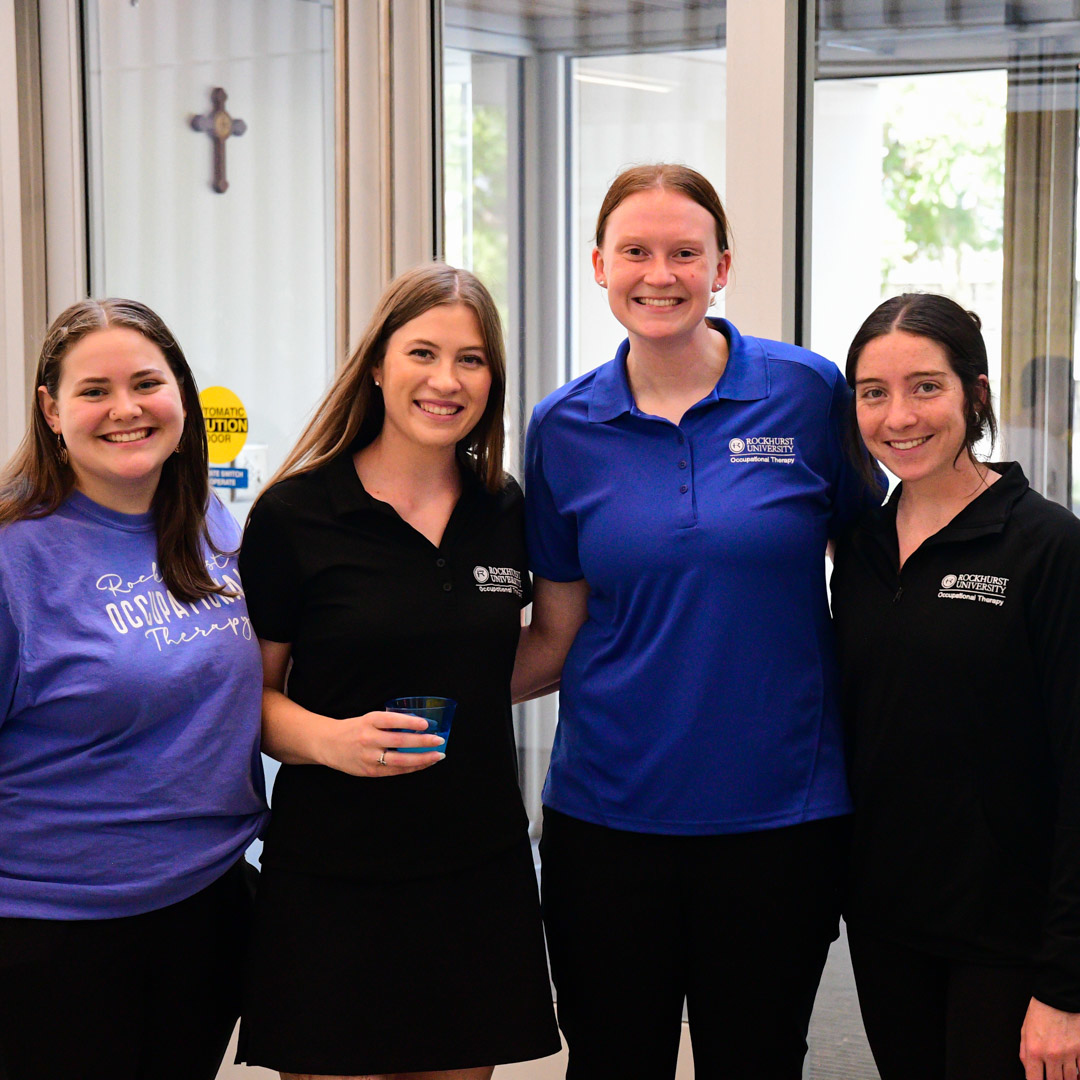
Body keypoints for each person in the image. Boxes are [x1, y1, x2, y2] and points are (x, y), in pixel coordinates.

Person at [513, 163, 880, 1079]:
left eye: (685, 251)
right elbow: (557, 632)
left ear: (723, 266)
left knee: (755, 1063)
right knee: (611, 1063)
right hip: (608, 820)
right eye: (635, 251)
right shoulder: (563, 428)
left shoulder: (808, 393)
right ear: (600, 265)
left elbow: (879, 579)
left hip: (782, 820)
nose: (660, 273)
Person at [236, 262, 561, 1080]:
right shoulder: (295, 515)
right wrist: (330, 739)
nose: (446, 381)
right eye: (423, 353)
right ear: (377, 363)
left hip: (475, 867)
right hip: (333, 878)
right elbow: (245, 697)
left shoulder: (506, 510)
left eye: (472, 360)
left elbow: (531, 648)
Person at [0, 298, 268, 1080]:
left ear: (180, 396)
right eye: (94, 391)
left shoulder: (210, 523)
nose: (125, 410)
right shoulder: (16, 555)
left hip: (206, 906)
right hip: (55, 933)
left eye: (147, 383)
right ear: (51, 410)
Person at [831, 292, 1080, 1080]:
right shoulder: (861, 550)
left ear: (974, 393)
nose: (899, 416)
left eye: (925, 387)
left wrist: (1065, 987)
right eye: (875, 393)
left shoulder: (1047, 546)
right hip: (887, 926)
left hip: (1011, 942)